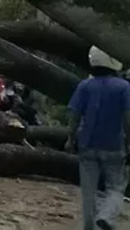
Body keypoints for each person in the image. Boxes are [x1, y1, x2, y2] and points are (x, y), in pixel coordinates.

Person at [65, 46, 130, 230]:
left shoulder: (84, 85)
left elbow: (75, 116)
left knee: (88, 192)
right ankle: (106, 218)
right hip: (114, 145)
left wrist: (71, 139)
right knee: (115, 188)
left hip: (87, 145)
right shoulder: (124, 87)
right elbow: (127, 118)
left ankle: (88, 227)